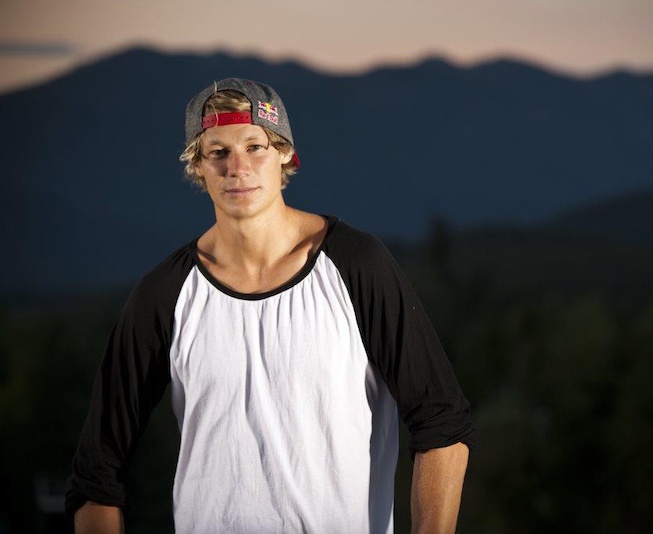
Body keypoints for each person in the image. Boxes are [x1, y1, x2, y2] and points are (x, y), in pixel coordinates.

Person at [65, 77, 476, 533]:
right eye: (217, 151)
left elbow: (442, 423)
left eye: (254, 147)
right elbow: (96, 473)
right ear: (197, 166)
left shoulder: (355, 264)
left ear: (284, 154)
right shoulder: (164, 293)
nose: (236, 167)